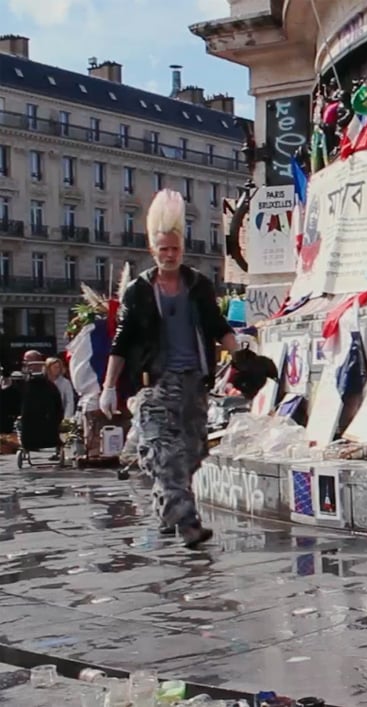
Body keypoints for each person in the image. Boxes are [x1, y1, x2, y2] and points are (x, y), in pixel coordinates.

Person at [99, 189, 243, 549]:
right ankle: (188, 524)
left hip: (194, 384)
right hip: (155, 385)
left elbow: (217, 325)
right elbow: (122, 339)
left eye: (174, 249)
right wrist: (108, 386)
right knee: (166, 456)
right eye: (162, 249)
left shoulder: (198, 285)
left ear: (182, 249)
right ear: (152, 250)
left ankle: (165, 510)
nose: (169, 255)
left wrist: (240, 354)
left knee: (193, 454)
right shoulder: (140, 290)